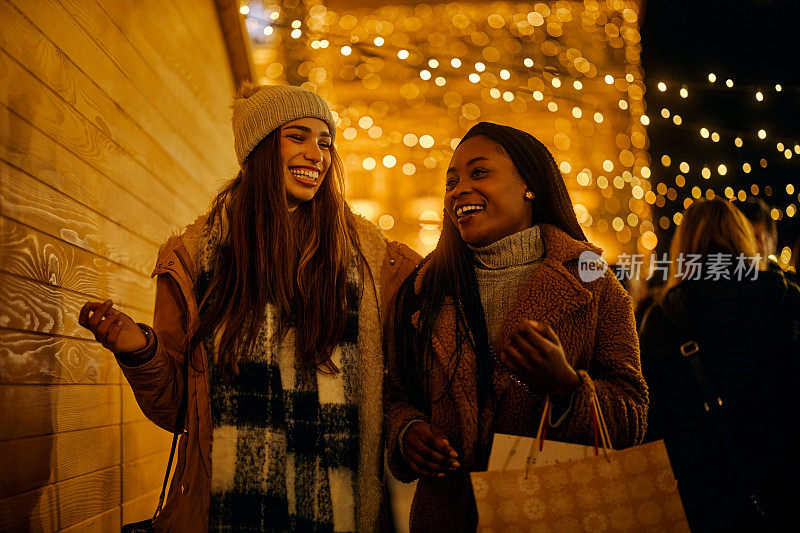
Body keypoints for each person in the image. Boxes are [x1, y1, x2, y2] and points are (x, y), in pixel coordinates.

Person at [79, 84, 419, 532]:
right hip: (233, 512)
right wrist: (140, 350)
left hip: (342, 513)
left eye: (325, 142)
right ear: (259, 148)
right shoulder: (195, 257)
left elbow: (405, 381)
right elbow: (180, 410)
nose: (316, 154)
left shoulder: (375, 260)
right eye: (297, 137)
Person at [384, 122, 648, 531]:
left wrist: (566, 387)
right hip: (447, 517)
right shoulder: (424, 288)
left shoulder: (594, 284)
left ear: (530, 185)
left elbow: (632, 416)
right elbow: (396, 396)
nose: (458, 189)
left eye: (479, 172)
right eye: (451, 181)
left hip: (555, 513)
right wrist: (408, 433)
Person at [639, 198, 800, 530]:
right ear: (742, 238)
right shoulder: (787, 300)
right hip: (784, 479)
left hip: (698, 492)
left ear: (683, 247)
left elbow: (651, 419)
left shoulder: (662, 318)